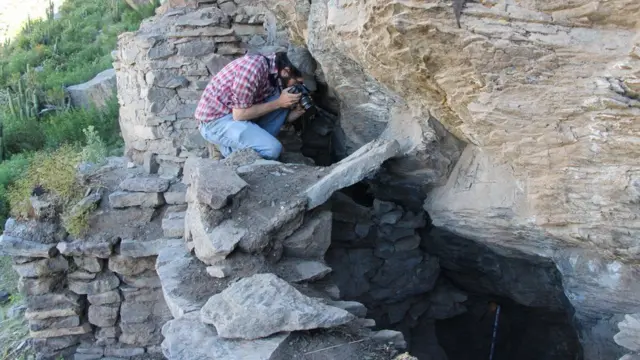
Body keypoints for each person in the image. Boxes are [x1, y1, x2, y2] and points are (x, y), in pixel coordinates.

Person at [195, 48, 315, 160]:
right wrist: (279, 103)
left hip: (236, 113)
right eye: (297, 81)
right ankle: (225, 148)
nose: (296, 85)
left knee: (285, 95)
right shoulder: (252, 69)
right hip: (216, 121)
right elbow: (239, 115)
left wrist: (292, 114)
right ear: (286, 71)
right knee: (273, 149)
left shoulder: (274, 72)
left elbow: (268, 114)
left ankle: (249, 141)